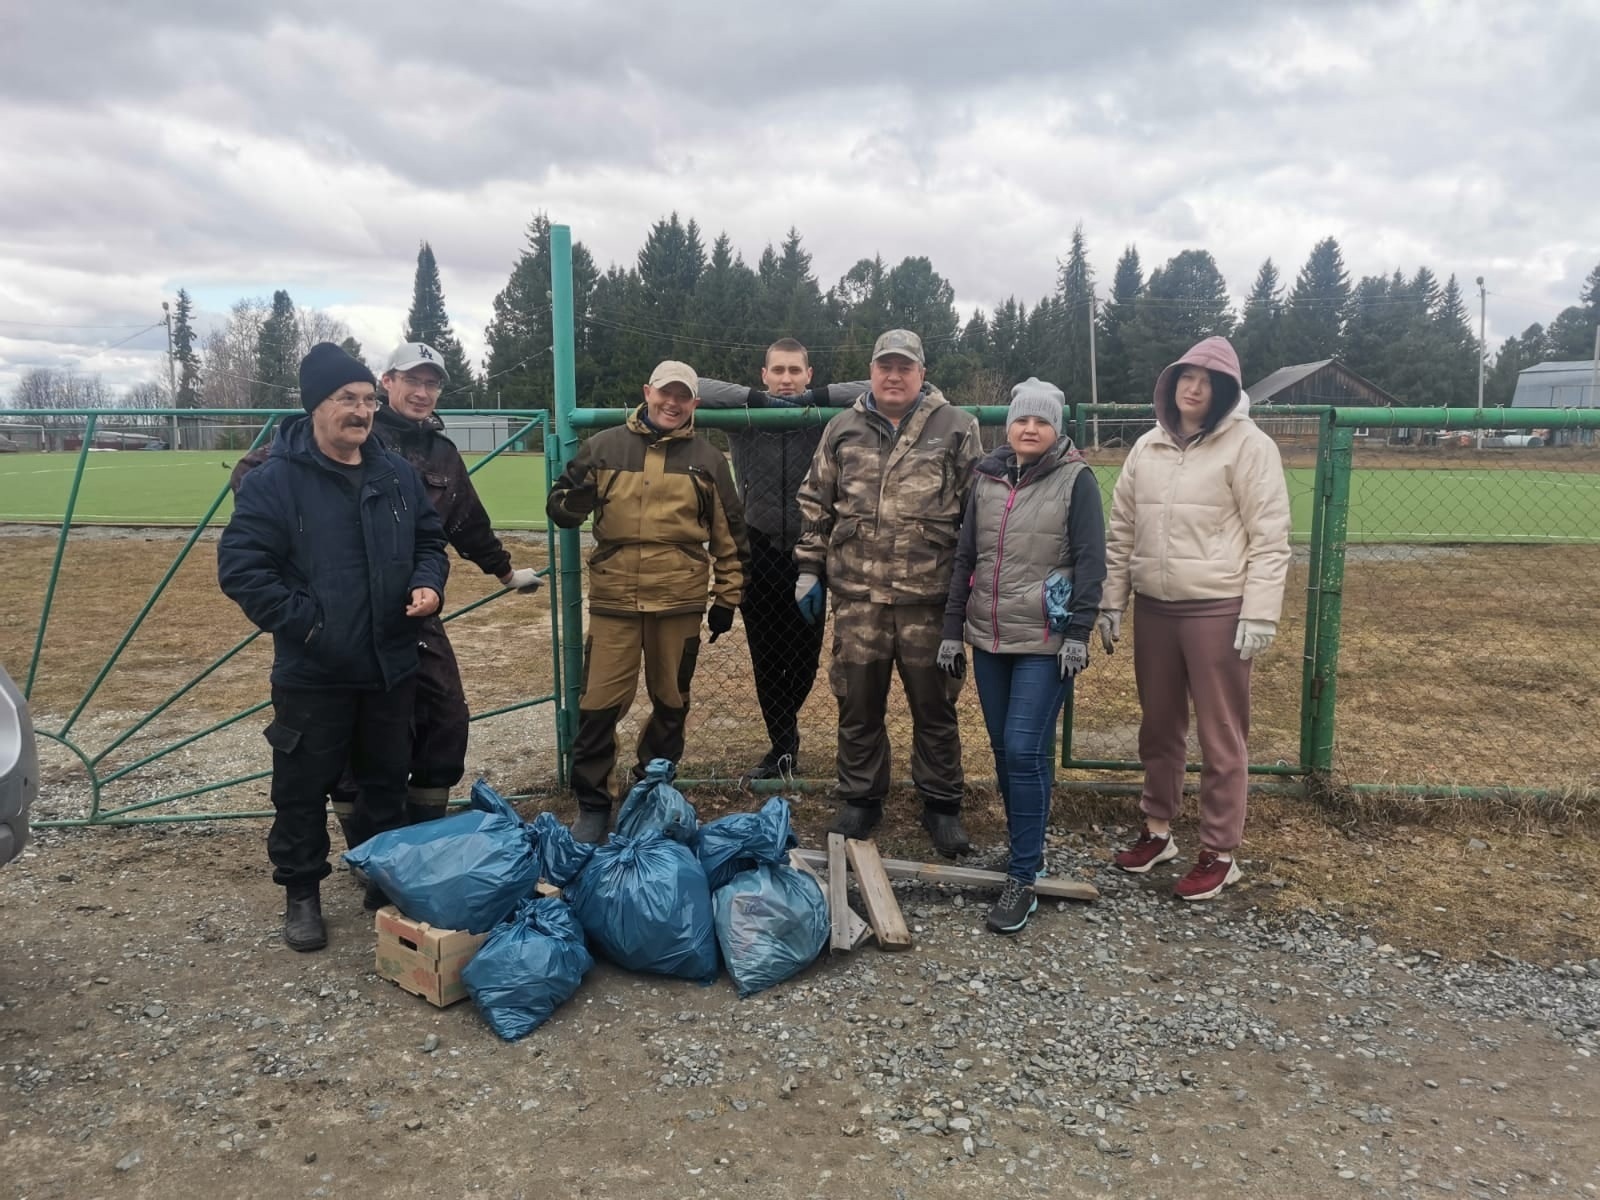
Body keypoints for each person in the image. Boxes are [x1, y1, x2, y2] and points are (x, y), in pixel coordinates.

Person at [229, 341, 545, 860]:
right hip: (333, 623)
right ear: (388, 382)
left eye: (432, 383)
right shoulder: (317, 448)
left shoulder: (432, 455)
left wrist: (505, 572)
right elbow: (260, 493)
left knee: (442, 721)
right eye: (411, 381)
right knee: (332, 751)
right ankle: (364, 854)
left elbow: (462, 524)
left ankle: (416, 843)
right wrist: (309, 606)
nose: (422, 393)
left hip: (408, 615)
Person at [218, 342, 449, 951]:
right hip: (313, 669)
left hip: (390, 662)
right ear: (315, 406)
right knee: (301, 787)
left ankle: (382, 878)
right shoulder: (275, 480)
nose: (362, 411)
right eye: (347, 399)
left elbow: (430, 541)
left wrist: (428, 583)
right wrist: (311, 626)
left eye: (368, 400)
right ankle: (302, 894)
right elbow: (242, 568)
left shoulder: (394, 473)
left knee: (384, 779)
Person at [1097, 335, 1291, 901]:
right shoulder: (1147, 448)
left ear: (1225, 390)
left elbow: (1270, 538)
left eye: (1207, 381)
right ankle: (1159, 829)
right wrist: (1114, 600)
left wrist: (1260, 612)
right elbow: (1122, 531)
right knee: (1158, 726)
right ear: (1171, 383)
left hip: (1217, 608)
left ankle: (1220, 850)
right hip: (1156, 607)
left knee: (1220, 732)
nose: (1194, 388)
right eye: (1186, 377)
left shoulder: (1249, 447)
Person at [794, 329, 981, 857]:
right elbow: (815, 503)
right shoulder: (843, 428)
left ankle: (942, 806)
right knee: (857, 705)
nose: (894, 376)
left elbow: (976, 514)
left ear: (922, 373)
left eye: (905, 368)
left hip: (931, 599)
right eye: (885, 367)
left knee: (936, 708)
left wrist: (970, 587)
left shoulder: (957, 427)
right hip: (858, 598)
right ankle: (860, 799)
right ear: (871, 372)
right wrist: (808, 568)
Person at [546, 360, 749, 843]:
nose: (673, 403)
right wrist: (570, 500)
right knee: (598, 706)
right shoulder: (603, 447)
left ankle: (649, 791)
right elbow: (562, 509)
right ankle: (595, 803)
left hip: (678, 604)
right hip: (615, 601)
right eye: (665, 393)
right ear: (647, 391)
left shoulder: (709, 459)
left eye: (683, 396)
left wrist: (728, 596)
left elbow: (731, 535)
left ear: (695, 403)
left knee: (670, 702)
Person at [939, 378, 1105, 931]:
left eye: (1041, 421)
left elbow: (1090, 560)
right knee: (1004, 749)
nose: (1029, 428)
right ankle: (1022, 849)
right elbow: (966, 556)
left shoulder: (1075, 481)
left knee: (1023, 748)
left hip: (1044, 640)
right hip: (988, 637)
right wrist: (950, 628)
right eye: (1020, 420)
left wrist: (1078, 632)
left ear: (1057, 428)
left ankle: (1023, 876)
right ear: (1007, 425)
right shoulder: (985, 480)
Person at [694, 338, 849, 779]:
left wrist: (812, 401)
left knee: (803, 659)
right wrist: (755, 401)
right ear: (764, 375)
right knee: (766, 657)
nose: (786, 380)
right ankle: (783, 745)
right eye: (777, 371)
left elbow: (872, 388)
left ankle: (787, 729)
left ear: (808, 374)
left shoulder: (823, 421)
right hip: (757, 551)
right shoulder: (745, 419)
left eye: (795, 371)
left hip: (810, 553)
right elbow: (695, 384)